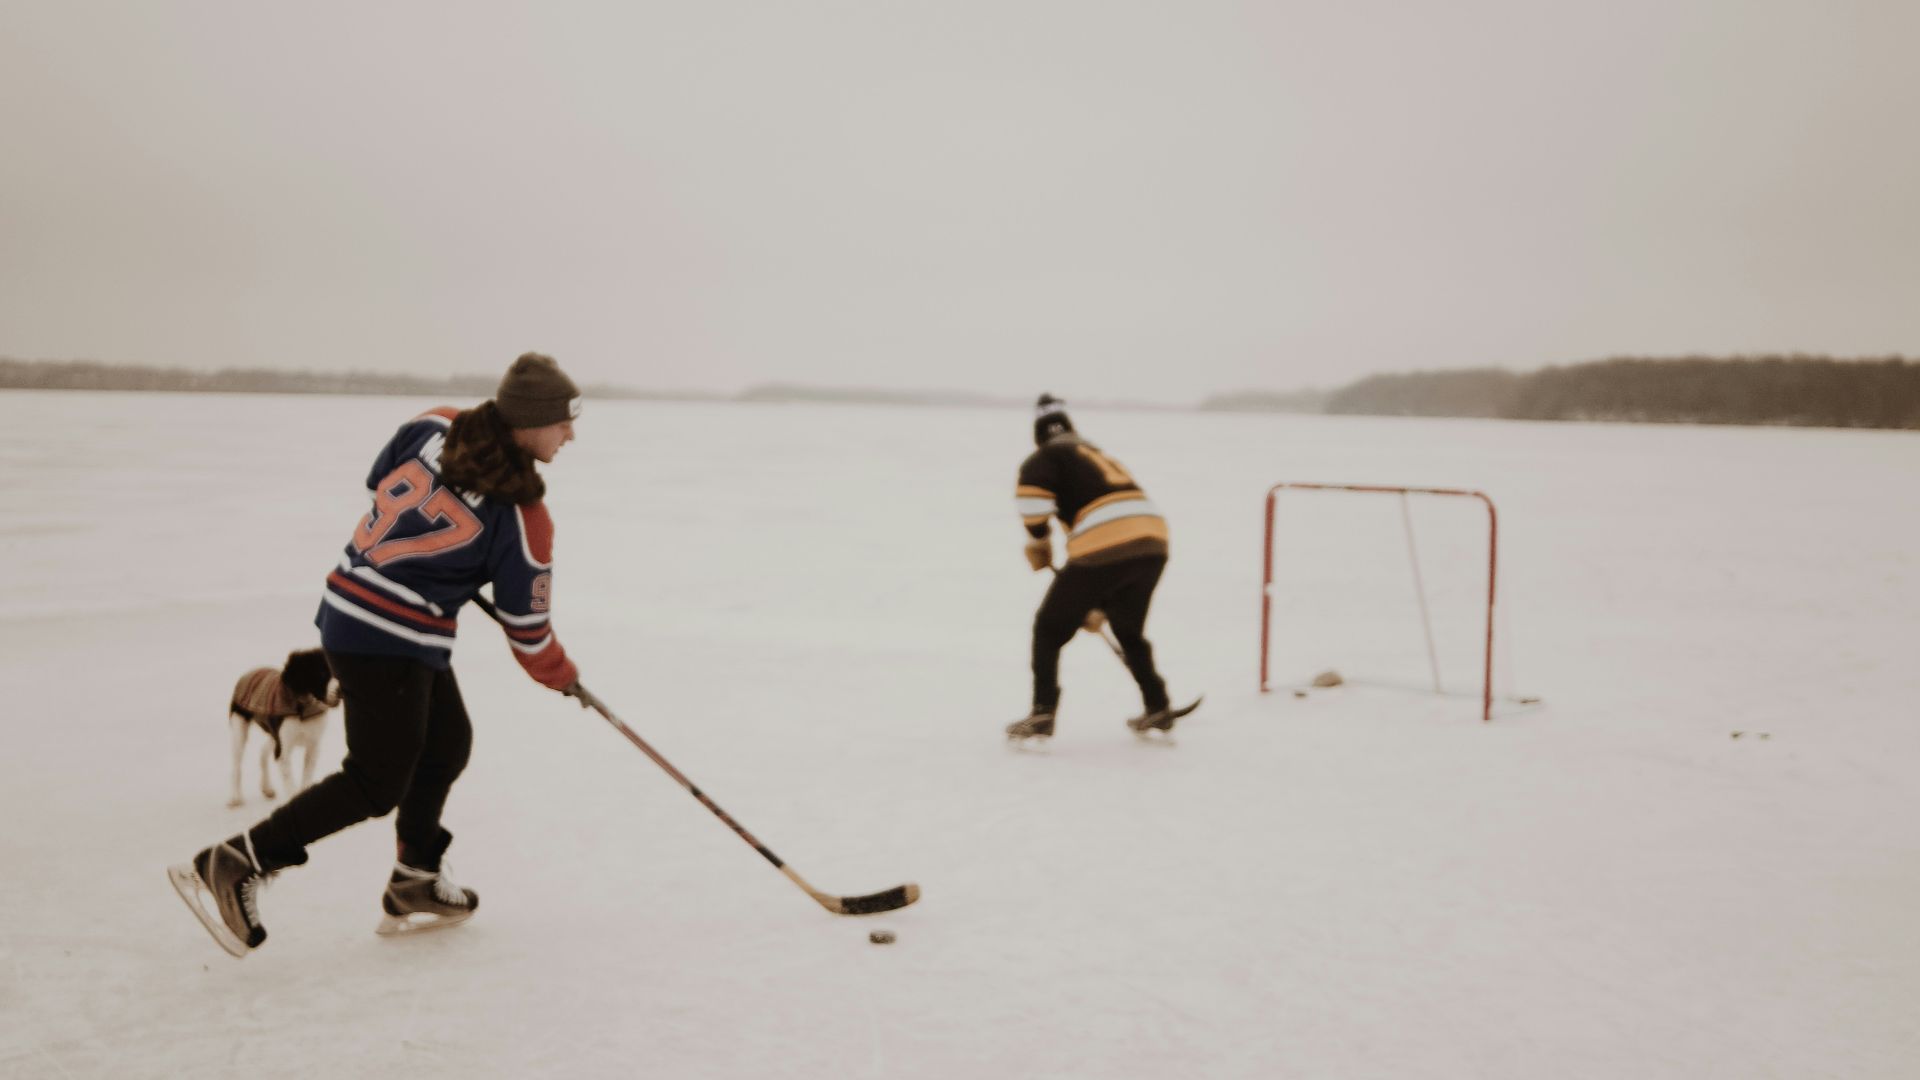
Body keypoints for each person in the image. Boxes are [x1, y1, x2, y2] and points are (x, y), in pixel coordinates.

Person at [170, 352, 588, 957]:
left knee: (446, 743)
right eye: (563, 421)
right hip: (389, 642)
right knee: (375, 780)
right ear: (528, 421)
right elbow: (528, 632)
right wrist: (565, 677)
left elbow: (379, 483)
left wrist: (437, 554)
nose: (570, 434)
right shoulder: (524, 519)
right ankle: (236, 861)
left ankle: (415, 878)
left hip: (350, 610)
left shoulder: (434, 424)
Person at [1007, 394, 1185, 742]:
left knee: (1048, 629)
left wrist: (1039, 541)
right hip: (1153, 540)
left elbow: (1032, 498)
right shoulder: (1096, 455)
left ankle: (1043, 711)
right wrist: (1096, 604)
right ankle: (1157, 704)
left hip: (1103, 544)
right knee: (1127, 628)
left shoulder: (1045, 457)